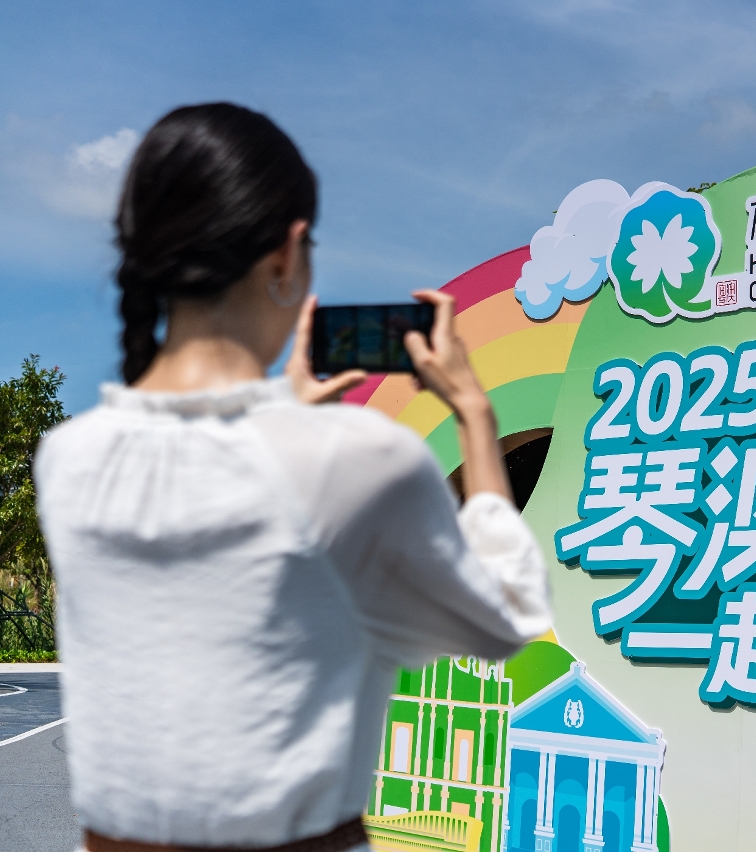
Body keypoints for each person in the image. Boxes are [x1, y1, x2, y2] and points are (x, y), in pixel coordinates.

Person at [34, 103, 553, 852]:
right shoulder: (358, 458)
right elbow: (505, 619)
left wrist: (289, 411)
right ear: (287, 254)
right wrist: (474, 413)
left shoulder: (67, 457)